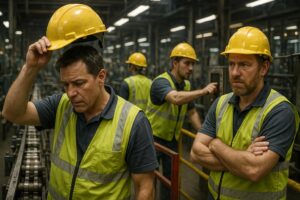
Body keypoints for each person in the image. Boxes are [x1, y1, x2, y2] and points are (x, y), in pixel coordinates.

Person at [2, 4, 158, 200]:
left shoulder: (134, 122)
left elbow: (145, 188)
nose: (71, 93)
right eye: (65, 85)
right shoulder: (61, 106)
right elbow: (11, 113)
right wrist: (30, 68)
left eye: (78, 83)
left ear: (101, 77)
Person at [190, 26, 299, 200]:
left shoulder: (280, 111)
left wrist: (216, 145)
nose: (234, 73)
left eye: (244, 65)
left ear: (264, 68)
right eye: (232, 64)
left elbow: (254, 170)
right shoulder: (221, 103)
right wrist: (240, 160)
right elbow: (195, 153)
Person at [146, 42, 217, 199]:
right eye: (187, 63)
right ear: (175, 63)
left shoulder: (186, 85)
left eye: (192, 64)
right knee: (150, 181)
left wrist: (202, 134)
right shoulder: (160, 82)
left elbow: (191, 112)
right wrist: (203, 91)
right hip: (154, 140)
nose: (191, 68)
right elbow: (175, 98)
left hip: (172, 141)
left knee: (170, 181)